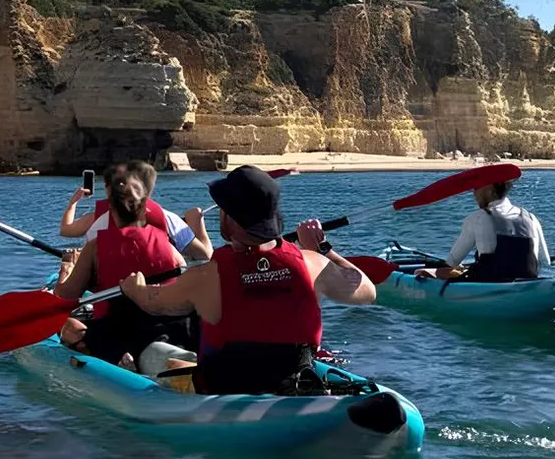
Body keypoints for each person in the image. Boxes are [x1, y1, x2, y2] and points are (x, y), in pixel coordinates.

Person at [119, 164, 376, 394]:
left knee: (156, 354)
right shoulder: (312, 264)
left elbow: (154, 303)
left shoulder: (206, 276)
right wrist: (323, 249)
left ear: (229, 219)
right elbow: (366, 289)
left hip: (222, 392)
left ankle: (131, 371)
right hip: (290, 386)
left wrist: (134, 288)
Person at [50, 164, 186, 367]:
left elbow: (64, 298)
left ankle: (99, 357)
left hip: (119, 329)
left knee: (64, 323)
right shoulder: (166, 243)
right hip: (168, 325)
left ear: (111, 206)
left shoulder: (95, 247)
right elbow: (186, 273)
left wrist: (67, 268)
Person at [58, 161, 214, 263]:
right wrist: (197, 223)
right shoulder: (168, 219)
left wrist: (73, 203)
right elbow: (205, 255)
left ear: (108, 190)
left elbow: (66, 230)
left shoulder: (97, 223)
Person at [422, 177, 549, 282]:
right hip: (527, 283)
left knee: (421, 272)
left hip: (489, 284)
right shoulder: (531, 218)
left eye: (477, 187)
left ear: (489, 189)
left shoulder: (478, 218)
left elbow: (452, 261)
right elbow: (545, 261)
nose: (474, 193)